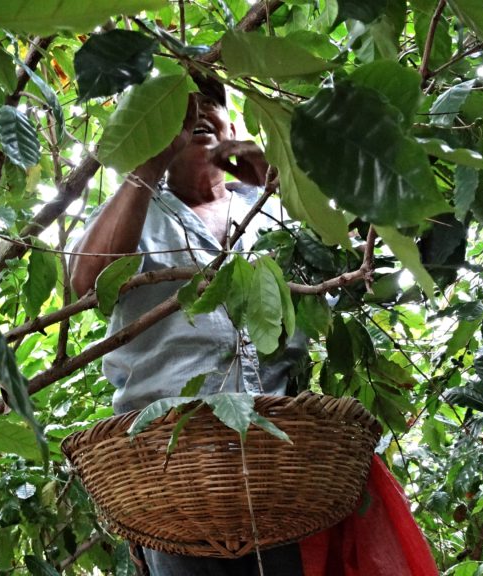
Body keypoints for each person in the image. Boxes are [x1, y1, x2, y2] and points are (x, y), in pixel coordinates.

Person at [69, 78, 306, 575]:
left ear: (234, 127)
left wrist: (285, 181)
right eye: (176, 108)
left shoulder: (274, 210)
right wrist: (146, 164)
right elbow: (88, 281)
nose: (195, 112)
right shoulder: (134, 213)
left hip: (279, 469)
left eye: (210, 104)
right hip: (175, 469)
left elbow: (361, 267)